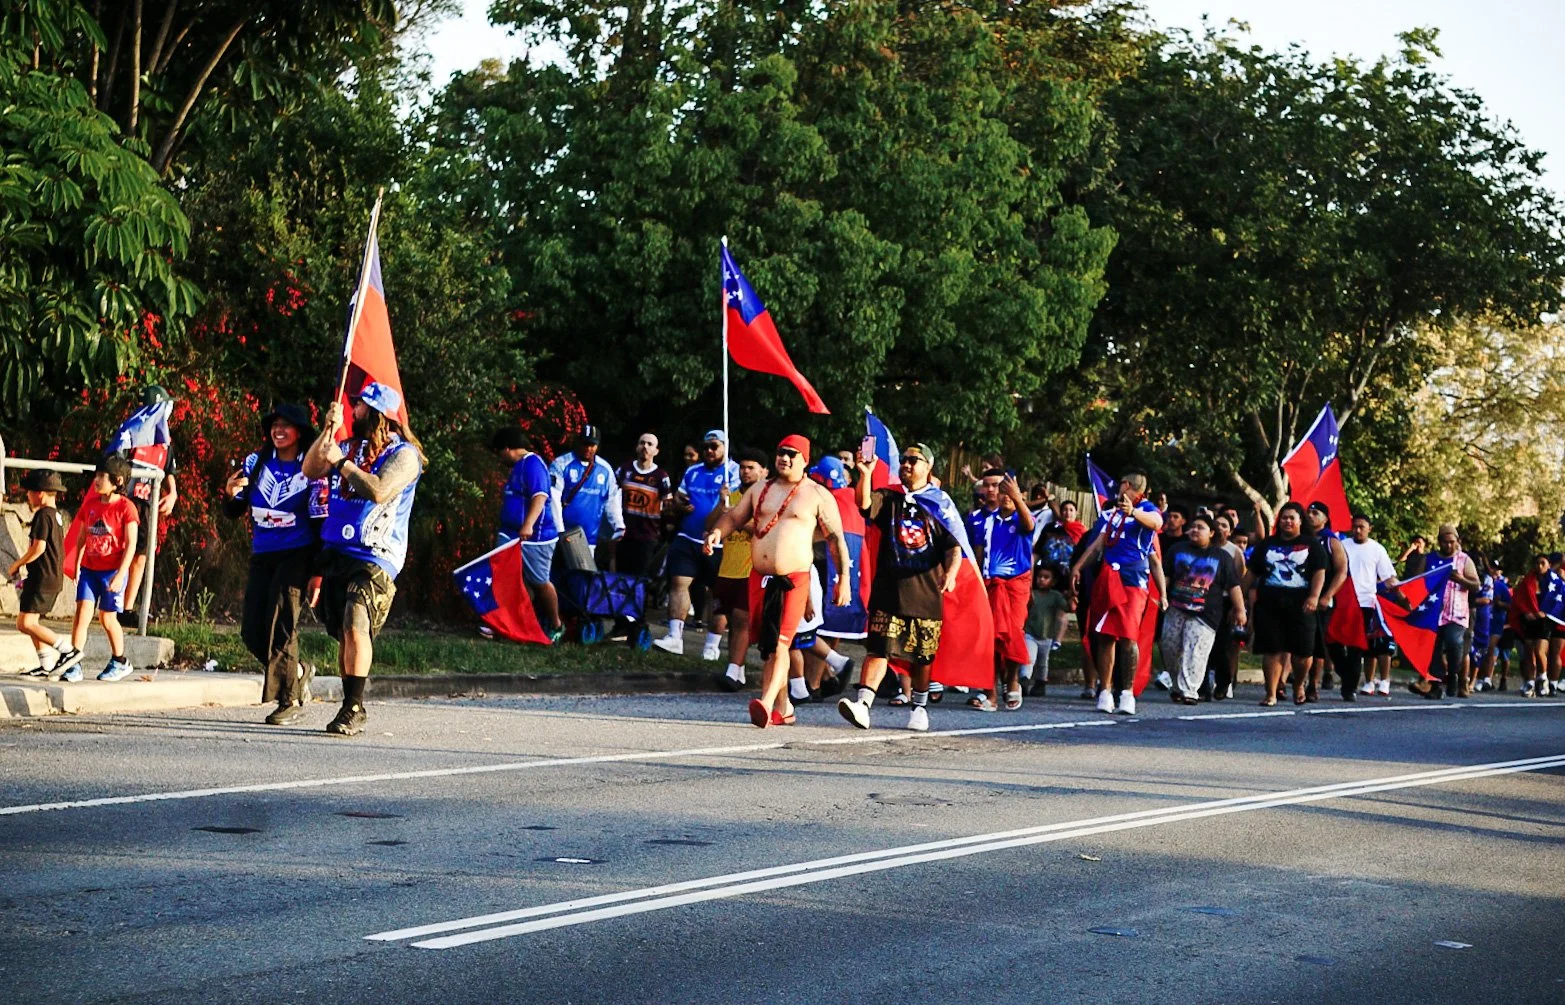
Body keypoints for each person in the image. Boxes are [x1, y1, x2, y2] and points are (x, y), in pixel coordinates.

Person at [302, 383, 423, 737]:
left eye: (359, 406)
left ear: (378, 414)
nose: (353, 410)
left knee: (357, 622)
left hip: (376, 554)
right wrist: (327, 430)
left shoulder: (405, 455)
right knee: (344, 632)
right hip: (337, 551)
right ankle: (348, 700)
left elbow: (380, 489)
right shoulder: (349, 447)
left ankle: (354, 706)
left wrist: (342, 464)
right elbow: (311, 469)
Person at [706, 436, 850, 727]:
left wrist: (843, 579)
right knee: (769, 646)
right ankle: (784, 708)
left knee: (783, 642)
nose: (784, 458)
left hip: (794, 578)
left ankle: (767, 702)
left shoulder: (817, 495)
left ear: (805, 460)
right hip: (759, 578)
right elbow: (734, 517)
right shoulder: (760, 489)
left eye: (791, 454)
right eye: (780, 452)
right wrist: (717, 534)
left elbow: (836, 539)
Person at [837, 443, 960, 732]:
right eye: (903, 459)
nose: (906, 464)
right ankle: (863, 705)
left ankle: (919, 707)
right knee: (878, 648)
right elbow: (864, 505)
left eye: (913, 460)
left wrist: (952, 573)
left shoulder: (940, 503)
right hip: (889, 591)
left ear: (928, 467)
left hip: (926, 593)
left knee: (922, 657)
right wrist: (865, 473)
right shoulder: (890, 496)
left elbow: (954, 546)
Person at [221, 404, 326, 725]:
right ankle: (297, 672)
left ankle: (289, 699)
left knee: (282, 622)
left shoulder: (311, 468)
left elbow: (322, 521)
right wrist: (229, 493)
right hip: (263, 553)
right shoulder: (256, 463)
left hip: (298, 553)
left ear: (300, 432)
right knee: (252, 631)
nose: (279, 431)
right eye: (274, 425)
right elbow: (236, 508)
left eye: (287, 426)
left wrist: (319, 572)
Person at [1069, 471, 1164, 716]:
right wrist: (1078, 568)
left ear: (1129, 485)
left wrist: (1133, 513)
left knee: (1128, 636)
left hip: (1133, 580)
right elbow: (1097, 544)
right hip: (1108, 578)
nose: (1118, 487)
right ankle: (1105, 690)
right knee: (1105, 635)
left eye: (1121, 483)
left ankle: (1127, 693)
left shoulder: (1147, 509)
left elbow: (1156, 524)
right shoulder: (1109, 513)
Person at [656, 431, 739, 657]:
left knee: (716, 593)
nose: (709, 451)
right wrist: (681, 506)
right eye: (706, 447)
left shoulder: (734, 472)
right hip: (688, 536)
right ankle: (675, 636)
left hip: (720, 543)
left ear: (725, 447)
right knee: (678, 582)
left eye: (714, 447)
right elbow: (679, 496)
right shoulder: (693, 471)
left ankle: (712, 646)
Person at [55, 456, 139, 682]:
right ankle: (74, 663)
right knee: (82, 613)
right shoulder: (90, 505)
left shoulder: (126, 508)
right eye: (97, 475)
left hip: (112, 571)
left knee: (107, 618)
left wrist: (121, 574)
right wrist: (76, 564)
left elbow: (131, 544)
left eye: (102, 476)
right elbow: (82, 536)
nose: (97, 480)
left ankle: (119, 661)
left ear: (118, 481)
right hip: (89, 570)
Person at [107, 385, 178, 625]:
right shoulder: (129, 433)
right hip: (125, 503)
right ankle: (110, 604)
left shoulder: (164, 439)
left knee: (141, 555)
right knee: (118, 554)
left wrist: (173, 493)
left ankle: (126, 609)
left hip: (147, 505)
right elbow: (111, 462)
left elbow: (169, 469)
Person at [1245, 501, 1327, 706]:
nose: (1287, 521)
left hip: (1302, 606)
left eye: (1292, 518)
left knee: (1303, 653)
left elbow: (1319, 572)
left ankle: (1299, 684)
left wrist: (1314, 597)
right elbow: (1251, 573)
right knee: (1272, 649)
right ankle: (1270, 693)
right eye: (1284, 517)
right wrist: (1239, 596)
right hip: (1270, 605)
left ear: (1300, 521)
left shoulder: (1312, 545)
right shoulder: (1267, 545)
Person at [968, 469, 1036, 710]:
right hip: (990, 585)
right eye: (986, 485)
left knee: (1013, 634)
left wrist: (1017, 498)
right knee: (991, 638)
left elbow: (1029, 527)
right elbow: (976, 554)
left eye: (996, 485)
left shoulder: (1019, 516)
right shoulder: (978, 519)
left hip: (1015, 586)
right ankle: (991, 692)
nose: (992, 490)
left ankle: (1013, 681)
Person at [1160, 514, 1245, 704]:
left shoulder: (1222, 557)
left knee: (1195, 650)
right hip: (1176, 608)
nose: (1195, 530)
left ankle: (1190, 691)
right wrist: (1161, 595)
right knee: (1169, 647)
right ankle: (1177, 685)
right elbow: (1166, 575)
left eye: (1200, 527)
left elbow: (1233, 586)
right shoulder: (1177, 550)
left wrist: (1240, 610)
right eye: (1193, 527)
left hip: (1205, 614)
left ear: (1211, 533)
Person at [491, 427, 564, 642]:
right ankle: (508, 624)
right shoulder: (517, 467)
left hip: (535, 538)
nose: (499, 458)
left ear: (507, 448)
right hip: (510, 533)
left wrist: (528, 524)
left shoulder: (533, 465)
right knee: (509, 579)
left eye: (499, 452)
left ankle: (556, 624)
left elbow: (540, 496)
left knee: (539, 582)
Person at [710, 447, 768, 690]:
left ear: (764, 472)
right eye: (743, 467)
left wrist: (735, 519)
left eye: (751, 467)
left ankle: (733, 671)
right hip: (728, 567)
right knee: (732, 621)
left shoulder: (767, 499)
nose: (745, 472)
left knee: (741, 618)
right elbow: (710, 524)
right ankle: (738, 668)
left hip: (751, 569)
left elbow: (761, 529)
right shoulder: (731, 497)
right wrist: (721, 509)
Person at [1406, 525, 1481, 699]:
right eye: (1445, 542)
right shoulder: (1430, 559)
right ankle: (1435, 685)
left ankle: (1454, 675)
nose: (1448, 546)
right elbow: (1417, 581)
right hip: (1433, 612)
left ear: (1457, 542)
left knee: (1454, 642)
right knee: (1434, 649)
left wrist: (1461, 579)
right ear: (1439, 542)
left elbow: (1476, 585)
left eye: (1452, 542)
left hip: (1457, 613)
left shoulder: (1464, 560)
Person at [8, 470, 70, 677]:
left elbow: (39, 548)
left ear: (41, 493)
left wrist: (17, 564)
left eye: (30, 492)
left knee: (24, 623)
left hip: (42, 577)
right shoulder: (55, 515)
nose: (27, 496)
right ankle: (46, 665)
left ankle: (67, 650)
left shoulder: (43, 515)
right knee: (31, 622)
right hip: (50, 577)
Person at [1339, 513, 1398, 700]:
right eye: (1354, 526)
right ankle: (1346, 676)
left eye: (1361, 527)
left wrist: (1404, 595)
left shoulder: (1377, 550)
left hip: (1365, 603)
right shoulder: (1342, 546)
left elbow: (1389, 578)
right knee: (1337, 644)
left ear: (1369, 528)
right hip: (1342, 601)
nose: (1357, 530)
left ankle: (1350, 688)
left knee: (1356, 647)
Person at [549, 425, 624, 560]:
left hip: (589, 537)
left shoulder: (605, 469)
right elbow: (553, 498)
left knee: (581, 577)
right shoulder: (561, 464)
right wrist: (559, 530)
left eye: (592, 445)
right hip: (561, 534)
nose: (588, 448)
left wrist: (618, 525)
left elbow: (612, 499)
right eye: (585, 444)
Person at [1303, 502, 1349, 702]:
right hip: (1298, 596)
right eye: (1308, 513)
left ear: (1325, 518)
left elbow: (1342, 571)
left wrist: (1328, 595)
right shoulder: (1300, 538)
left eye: (1316, 513)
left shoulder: (1331, 542)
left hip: (1322, 602)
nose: (1311, 516)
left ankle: (1313, 684)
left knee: (1317, 644)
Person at [615, 433, 673, 578]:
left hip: (647, 537)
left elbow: (668, 507)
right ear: (637, 447)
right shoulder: (624, 470)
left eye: (649, 444)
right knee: (619, 576)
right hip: (623, 534)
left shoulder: (661, 476)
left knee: (640, 579)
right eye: (642, 443)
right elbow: (611, 498)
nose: (645, 447)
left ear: (656, 451)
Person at [1023, 562, 1070, 697]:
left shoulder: (1055, 596)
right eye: (1039, 577)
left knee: (1043, 661)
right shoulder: (1032, 594)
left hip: (1047, 635)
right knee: (1029, 658)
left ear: (1053, 581)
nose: (1041, 580)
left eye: (1046, 577)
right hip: (1030, 633)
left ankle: (1040, 683)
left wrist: (1071, 597)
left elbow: (1066, 608)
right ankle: (1024, 680)